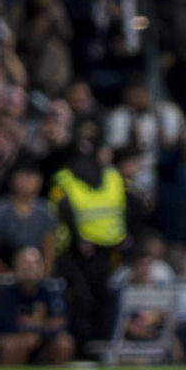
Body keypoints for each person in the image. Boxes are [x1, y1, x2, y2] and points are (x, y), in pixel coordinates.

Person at [49, 127, 128, 351]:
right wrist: (77, 238)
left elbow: (123, 206)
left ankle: (99, 345)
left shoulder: (112, 176)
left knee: (105, 299)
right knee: (80, 299)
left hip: (109, 250)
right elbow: (62, 209)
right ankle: (80, 345)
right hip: (76, 251)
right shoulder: (65, 178)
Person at [0, 245, 75, 365]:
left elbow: (60, 323)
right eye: (26, 265)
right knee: (14, 345)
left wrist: (37, 333)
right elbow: (7, 328)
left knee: (64, 343)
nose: (32, 268)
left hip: (42, 343)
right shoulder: (5, 295)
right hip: (14, 345)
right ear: (16, 268)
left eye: (36, 264)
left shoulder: (51, 292)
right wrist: (33, 332)